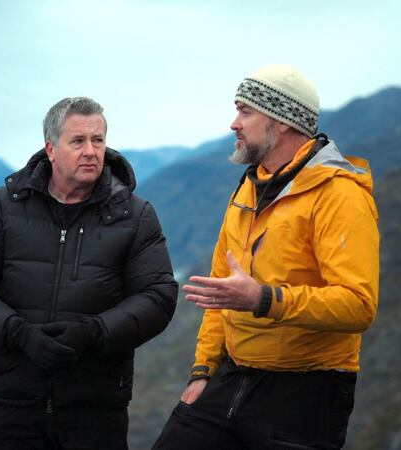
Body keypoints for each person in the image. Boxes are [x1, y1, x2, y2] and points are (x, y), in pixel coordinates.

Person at [152, 64, 380, 450]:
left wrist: (263, 299)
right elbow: (219, 295)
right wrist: (203, 370)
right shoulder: (248, 188)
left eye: (245, 111)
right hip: (230, 378)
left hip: (305, 394)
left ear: (283, 121)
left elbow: (358, 306)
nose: (233, 124)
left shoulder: (339, 195)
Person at [0, 96, 178, 450]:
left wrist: (94, 332)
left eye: (98, 140)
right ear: (51, 149)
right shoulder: (5, 205)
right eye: (78, 141)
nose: (91, 151)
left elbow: (158, 297)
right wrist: (18, 333)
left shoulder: (136, 214)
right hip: (12, 404)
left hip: (96, 410)